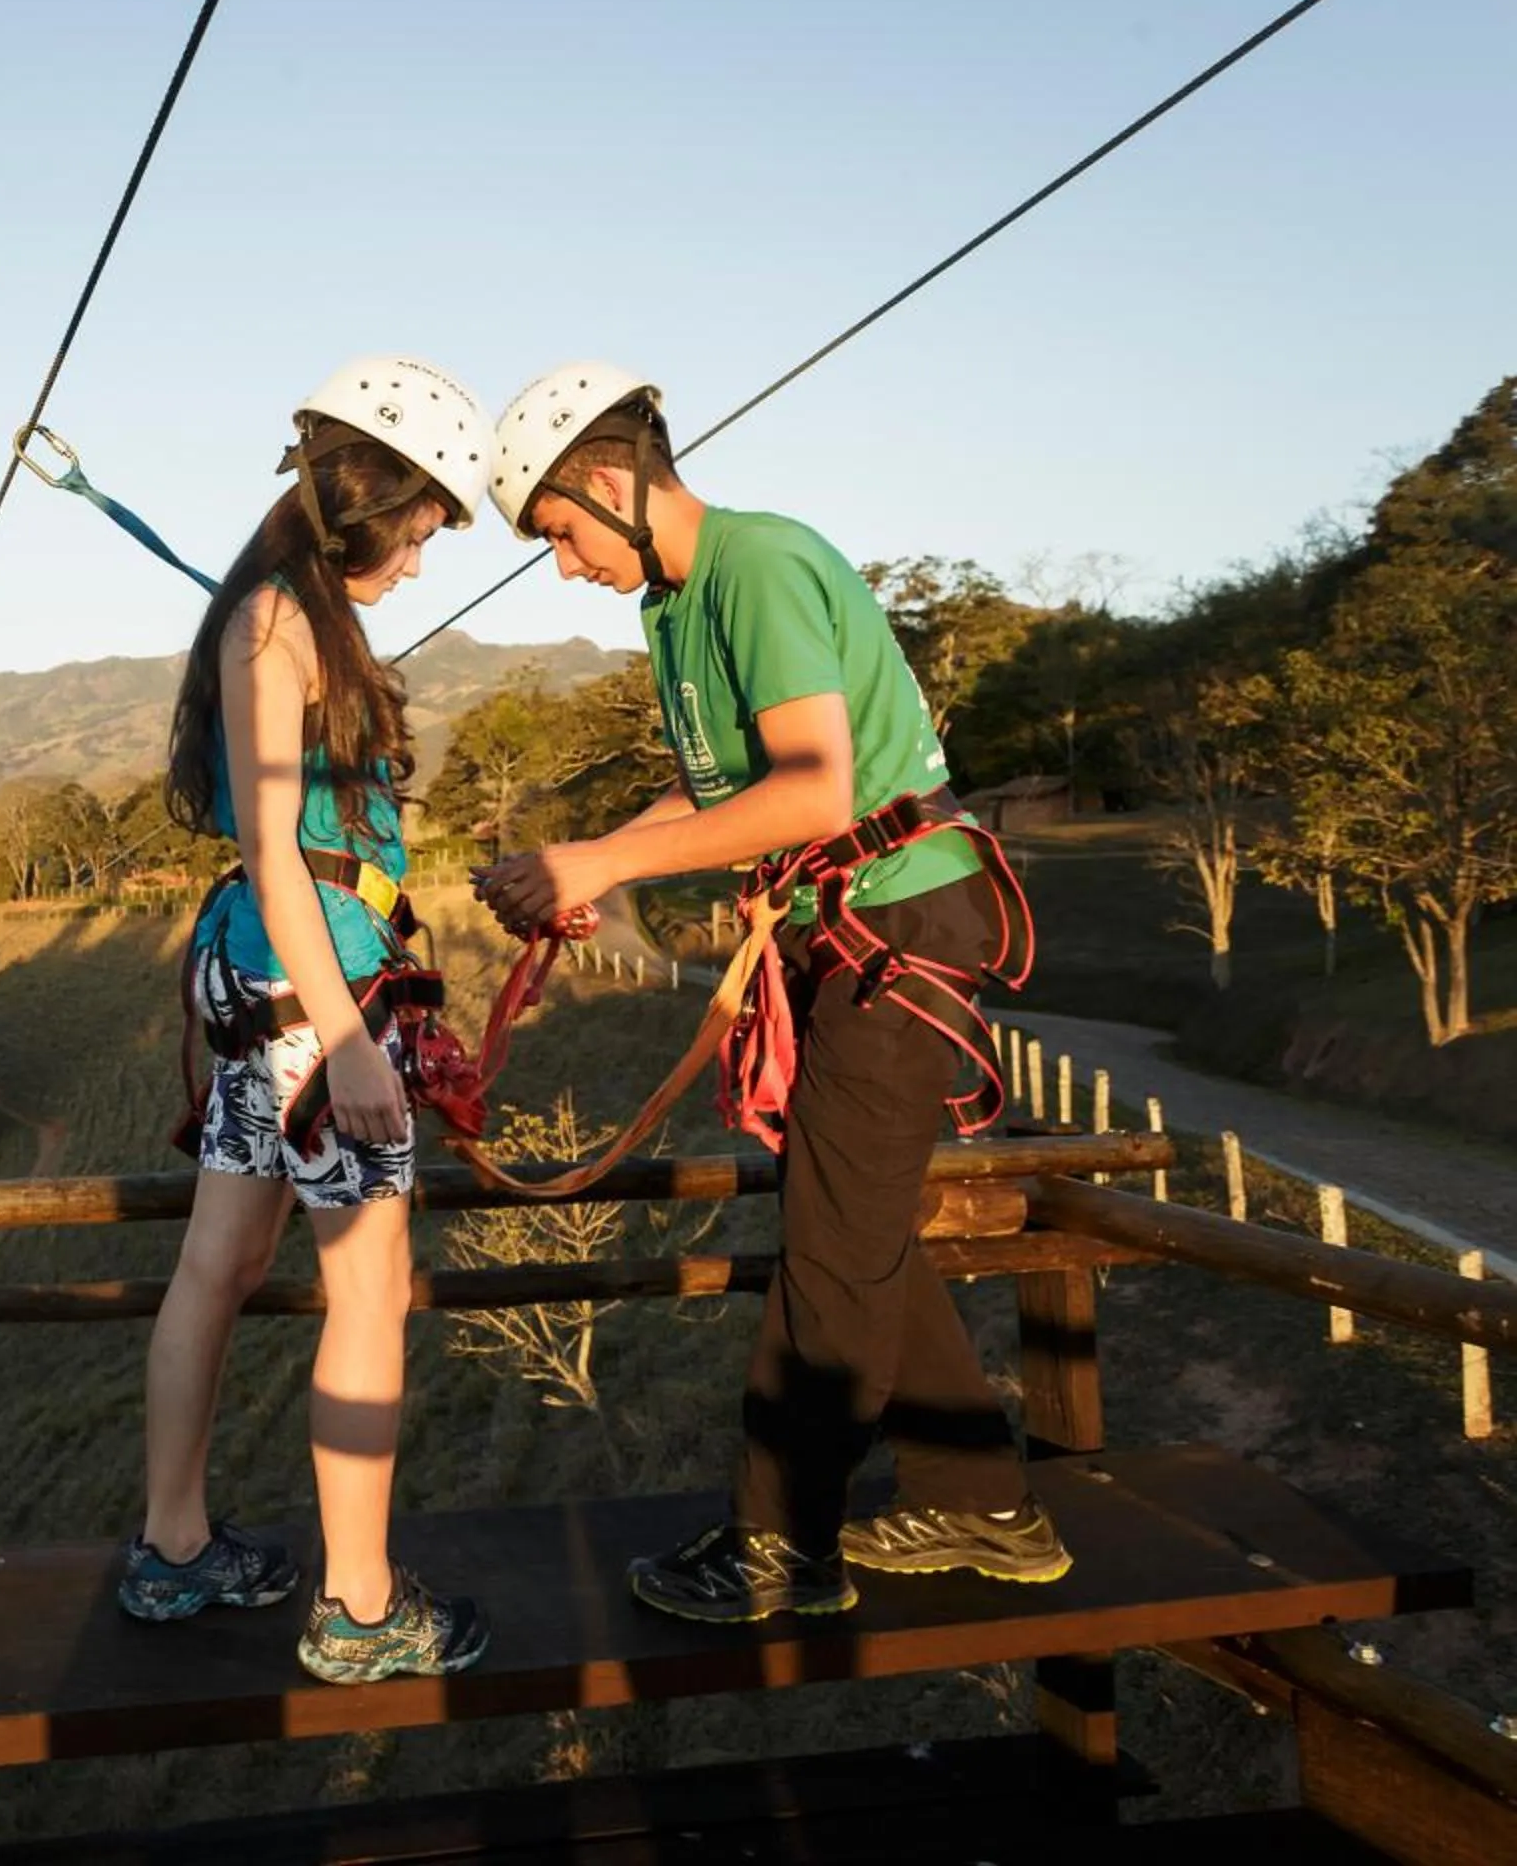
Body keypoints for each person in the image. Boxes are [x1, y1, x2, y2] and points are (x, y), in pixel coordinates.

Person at [473, 361, 1066, 1624]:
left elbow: (812, 789)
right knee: (852, 1223)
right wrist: (587, 859)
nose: (566, 567)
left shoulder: (758, 564)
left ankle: (780, 1545)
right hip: (844, 928)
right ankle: (982, 1499)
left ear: (613, 482)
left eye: (563, 533)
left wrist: (605, 863)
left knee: (832, 1242)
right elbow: (719, 785)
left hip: (896, 921)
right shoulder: (677, 603)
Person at [120, 355, 494, 1684]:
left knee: (219, 1263)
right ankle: (360, 1606)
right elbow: (280, 852)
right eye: (422, 524)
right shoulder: (280, 624)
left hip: (265, 985)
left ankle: (174, 1546)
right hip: (313, 992)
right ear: (371, 498)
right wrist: (345, 1037)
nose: (424, 554)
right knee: (370, 1289)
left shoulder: (283, 614)